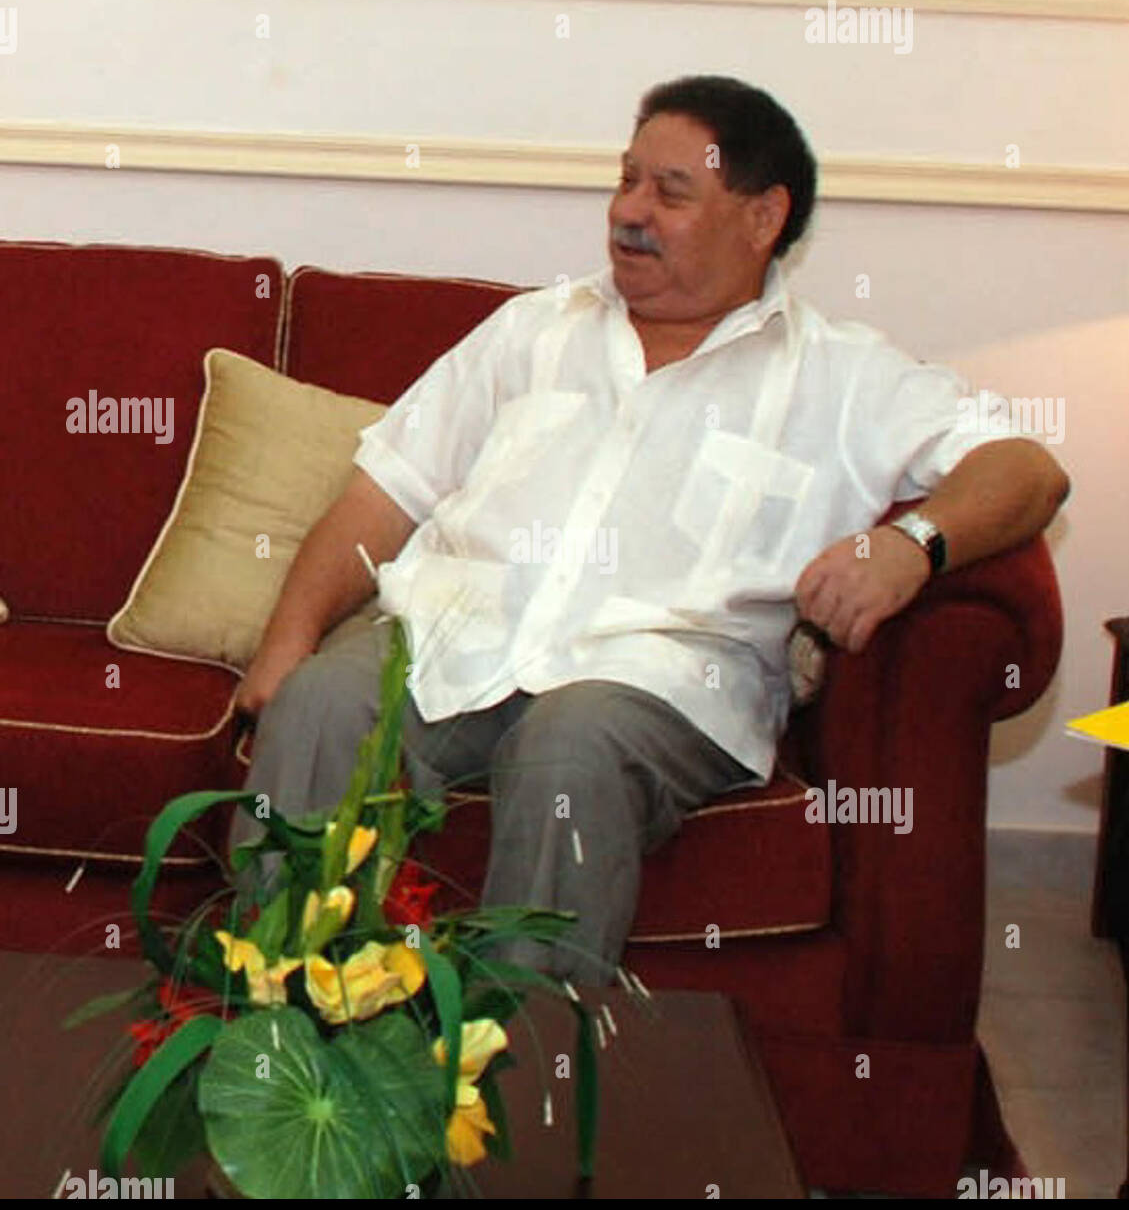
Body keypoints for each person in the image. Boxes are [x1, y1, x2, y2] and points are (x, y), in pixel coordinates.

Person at [233, 74, 1069, 983]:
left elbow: (1028, 472)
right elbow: (380, 497)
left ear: (762, 219)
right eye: (625, 181)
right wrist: (287, 644)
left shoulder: (842, 377)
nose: (630, 212)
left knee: (570, 747)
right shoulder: (532, 330)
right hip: (449, 631)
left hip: (655, 675)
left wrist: (913, 545)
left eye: (669, 193)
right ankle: (269, 1049)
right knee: (318, 704)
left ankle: (522, 1077)